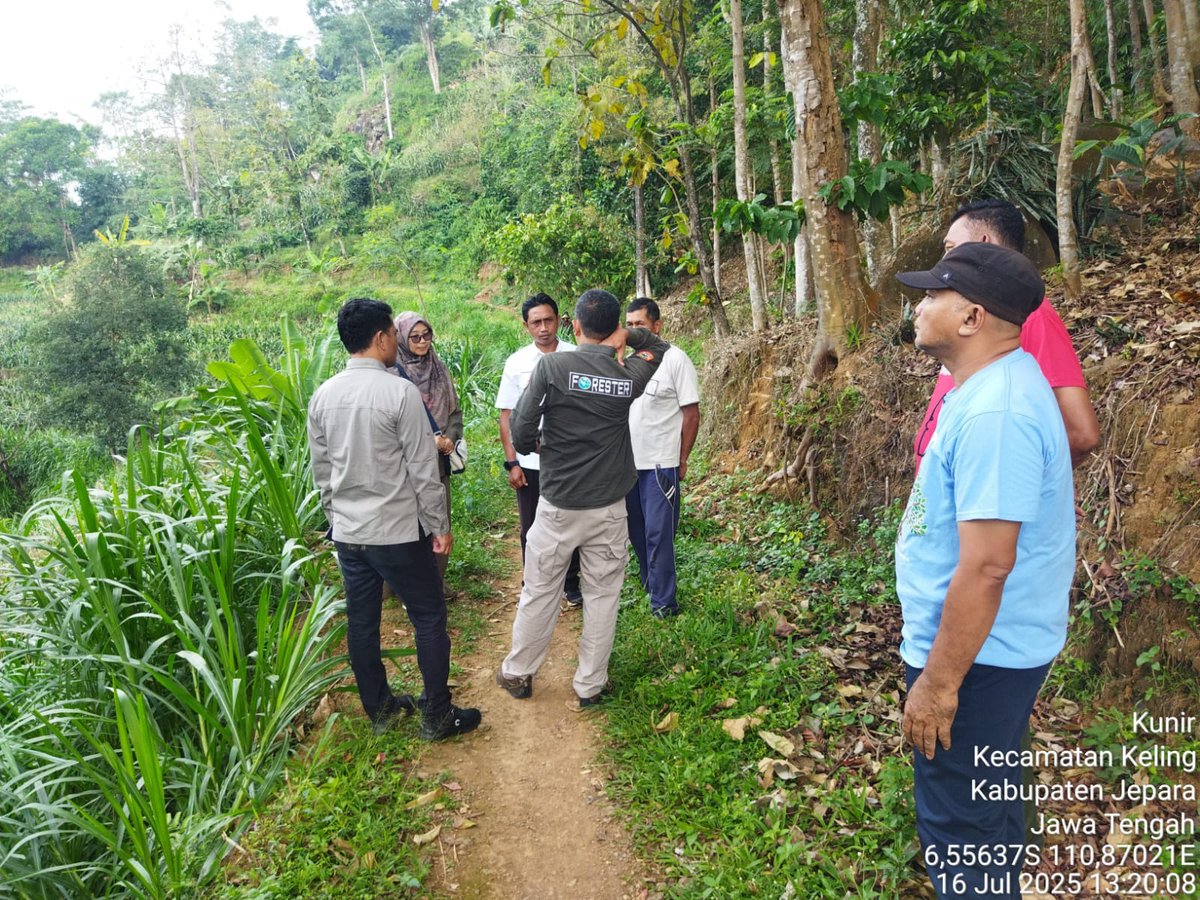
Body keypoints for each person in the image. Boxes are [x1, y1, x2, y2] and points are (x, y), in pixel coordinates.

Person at [894, 245, 1075, 899]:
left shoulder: (997, 412)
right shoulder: (997, 386)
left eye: (931, 295)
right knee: (986, 812)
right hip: (990, 650)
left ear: (970, 317)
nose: (918, 306)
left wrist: (940, 685)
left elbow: (989, 565)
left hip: (978, 661)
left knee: (961, 829)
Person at [307, 298, 481, 741]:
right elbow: (424, 470)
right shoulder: (398, 392)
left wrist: (336, 520)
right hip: (398, 530)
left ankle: (380, 709)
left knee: (362, 621)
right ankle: (437, 714)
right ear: (383, 337)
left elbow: (322, 471)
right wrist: (439, 526)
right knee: (428, 616)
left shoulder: (323, 395)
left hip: (349, 533)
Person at [495, 289, 669, 709]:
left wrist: (533, 444)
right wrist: (624, 335)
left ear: (573, 327)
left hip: (557, 504)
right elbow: (658, 346)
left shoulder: (552, 367)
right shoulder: (628, 375)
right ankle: (590, 685)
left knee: (539, 590)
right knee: (603, 594)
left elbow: (520, 428)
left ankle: (519, 673)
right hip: (609, 507)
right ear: (615, 331)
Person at [914, 199, 1100, 472]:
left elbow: (1082, 433)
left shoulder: (1028, 315)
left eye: (951, 249)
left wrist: (1033, 485)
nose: (945, 261)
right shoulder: (976, 314)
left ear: (984, 242)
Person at [495, 294, 583, 607]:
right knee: (531, 525)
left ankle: (570, 584)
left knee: (571, 523)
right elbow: (506, 415)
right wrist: (512, 463)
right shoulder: (517, 363)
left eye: (549, 320)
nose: (544, 328)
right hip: (531, 460)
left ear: (560, 320)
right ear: (526, 326)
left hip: (572, 460)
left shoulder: (578, 355)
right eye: (536, 322)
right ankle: (533, 581)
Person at [624, 298, 701, 618]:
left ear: (657, 326)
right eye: (628, 325)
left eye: (639, 325)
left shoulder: (675, 360)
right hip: (627, 464)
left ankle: (664, 603)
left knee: (659, 532)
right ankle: (648, 583)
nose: (632, 331)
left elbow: (691, 414)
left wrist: (681, 459)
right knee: (636, 531)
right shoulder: (628, 362)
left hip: (659, 464)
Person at [393, 311, 463, 580]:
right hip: (407, 465)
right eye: (415, 337)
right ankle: (402, 585)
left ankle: (435, 583)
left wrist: (449, 439)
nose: (423, 342)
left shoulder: (438, 367)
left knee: (439, 520)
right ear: (401, 338)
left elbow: (455, 411)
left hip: (439, 463)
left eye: (427, 335)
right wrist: (428, 439)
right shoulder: (394, 374)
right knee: (408, 525)